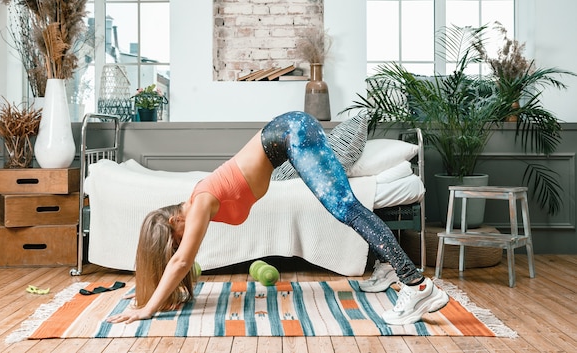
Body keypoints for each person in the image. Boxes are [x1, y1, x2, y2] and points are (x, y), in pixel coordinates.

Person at [107, 111, 448, 326]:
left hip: (290, 132)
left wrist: (147, 309)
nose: (184, 244)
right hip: (288, 133)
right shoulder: (199, 202)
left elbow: (181, 261)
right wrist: (146, 289)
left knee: (346, 208)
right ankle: (389, 266)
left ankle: (416, 284)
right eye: (176, 245)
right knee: (347, 207)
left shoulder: (199, 202)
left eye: (175, 240)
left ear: (171, 223)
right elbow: (177, 262)